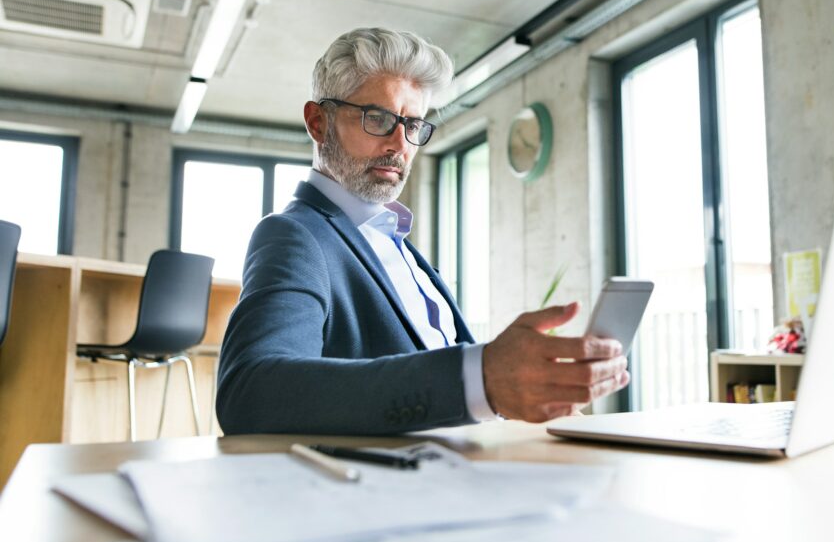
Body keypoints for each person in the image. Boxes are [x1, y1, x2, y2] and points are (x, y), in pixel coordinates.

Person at [216, 28, 629, 435]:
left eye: (414, 125)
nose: (400, 143)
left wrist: (518, 405)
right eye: (378, 118)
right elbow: (252, 391)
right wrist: (481, 380)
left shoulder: (397, 243)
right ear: (319, 122)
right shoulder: (295, 236)